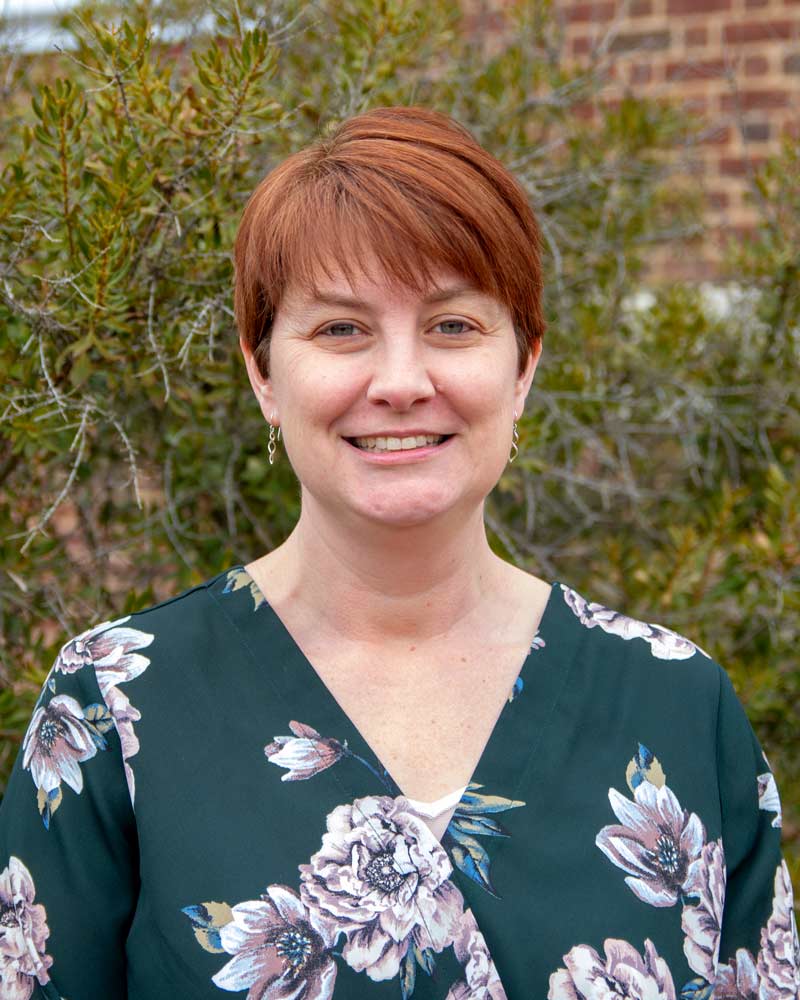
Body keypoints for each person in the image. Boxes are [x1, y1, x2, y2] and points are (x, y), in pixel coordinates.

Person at [0, 105, 797, 1000]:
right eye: (341, 329)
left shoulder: (680, 707)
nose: (402, 382)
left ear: (524, 365)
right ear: (264, 372)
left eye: (454, 325)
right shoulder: (115, 705)